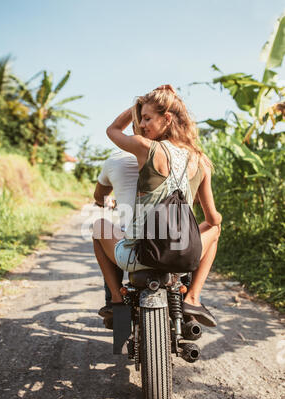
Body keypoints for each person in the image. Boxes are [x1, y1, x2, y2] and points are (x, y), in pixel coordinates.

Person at [92, 85, 222, 328]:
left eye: (147, 118)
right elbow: (213, 219)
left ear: (167, 118)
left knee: (98, 226)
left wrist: (137, 104)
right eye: (141, 119)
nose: (142, 124)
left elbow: (112, 130)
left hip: (139, 257)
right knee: (215, 230)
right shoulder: (201, 160)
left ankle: (118, 301)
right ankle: (193, 297)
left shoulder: (146, 147)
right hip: (185, 258)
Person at [93, 149, 139, 322]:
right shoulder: (176, 154)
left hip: (131, 248)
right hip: (171, 244)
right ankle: (191, 303)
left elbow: (99, 196)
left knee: (100, 229)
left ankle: (116, 299)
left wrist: (108, 202)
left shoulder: (116, 158)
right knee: (190, 231)